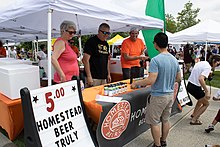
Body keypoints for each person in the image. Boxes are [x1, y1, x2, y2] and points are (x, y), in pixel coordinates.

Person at [131, 32, 181, 147]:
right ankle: (163, 141)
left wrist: (136, 83)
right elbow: (178, 78)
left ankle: (157, 145)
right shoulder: (174, 59)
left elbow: (151, 80)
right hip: (170, 95)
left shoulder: (156, 60)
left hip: (159, 96)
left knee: (154, 122)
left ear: (156, 44)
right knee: (165, 120)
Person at [187, 55, 220, 125]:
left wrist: (208, 75)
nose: (217, 66)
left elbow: (198, 73)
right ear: (214, 61)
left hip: (190, 84)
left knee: (201, 100)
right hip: (195, 87)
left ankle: (194, 114)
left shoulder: (202, 63)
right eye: (218, 64)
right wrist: (207, 91)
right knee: (206, 104)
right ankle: (194, 120)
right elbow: (200, 79)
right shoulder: (208, 67)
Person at [82, 23, 111, 87]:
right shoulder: (91, 42)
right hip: (93, 77)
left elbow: (107, 60)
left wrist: (108, 74)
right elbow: (85, 60)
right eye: (104, 32)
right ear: (99, 31)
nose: (106, 35)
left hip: (103, 77)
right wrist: (89, 76)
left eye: (108, 33)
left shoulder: (106, 44)